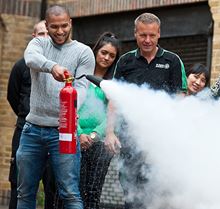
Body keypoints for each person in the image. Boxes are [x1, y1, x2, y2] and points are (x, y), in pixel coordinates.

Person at [15, 5, 95, 209]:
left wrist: (72, 109)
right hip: (32, 130)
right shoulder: (38, 43)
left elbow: (83, 88)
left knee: (69, 193)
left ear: (70, 23)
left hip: (64, 131)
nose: (60, 31)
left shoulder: (83, 52)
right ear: (47, 26)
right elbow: (30, 58)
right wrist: (53, 67)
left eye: (64, 26)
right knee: (24, 193)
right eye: (54, 27)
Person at [110, 12, 188, 209]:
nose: (147, 40)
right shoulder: (125, 62)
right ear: (135, 33)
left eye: (152, 35)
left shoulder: (172, 60)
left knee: (157, 193)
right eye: (143, 35)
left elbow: (179, 100)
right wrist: (110, 132)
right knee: (130, 193)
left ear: (159, 34)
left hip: (159, 141)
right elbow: (114, 99)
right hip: (129, 138)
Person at [6, 20, 59, 209]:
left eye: (48, 34)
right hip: (25, 131)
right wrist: (27, 118)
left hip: (53, 133)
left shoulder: (59, 66)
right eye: (41, 34)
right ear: (34, 37)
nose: (46, 37)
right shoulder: (21, 66)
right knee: (19, 184)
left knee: (53, 186)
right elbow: (12, 96)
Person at [78, 32, 121, 209]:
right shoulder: (80, 76)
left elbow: (113, 114)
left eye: (112, 55)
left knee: (93, 192)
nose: (107, 58)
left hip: (100, 143)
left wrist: (94, 135)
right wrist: (80, 134)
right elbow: (71, 107)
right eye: (104, 52)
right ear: (96, 51)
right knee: (73, 190)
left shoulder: (113, 84)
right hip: (75, 140)